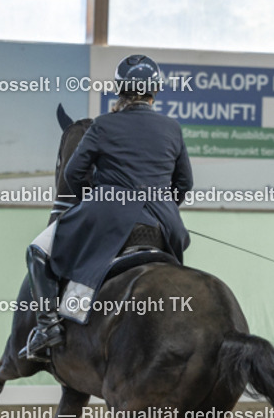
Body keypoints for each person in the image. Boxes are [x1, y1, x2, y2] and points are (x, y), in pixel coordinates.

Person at [20, 54, 193, 362]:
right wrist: (160, 206)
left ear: (119, 90)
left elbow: (73, 174)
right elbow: (184, 183)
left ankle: (48, 328)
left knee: (37, 250)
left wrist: (96, 201)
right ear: (155, 91)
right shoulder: (172, 128)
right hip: (165, 224)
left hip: (108, 218)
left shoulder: (103, 125)